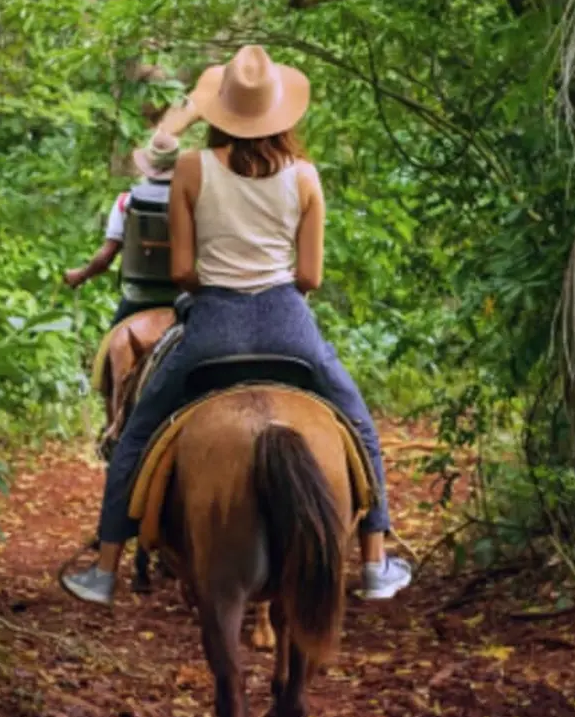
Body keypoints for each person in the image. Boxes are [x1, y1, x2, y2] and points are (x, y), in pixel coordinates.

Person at [61, 44, 412, 606]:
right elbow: (310, 276)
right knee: (359, 423)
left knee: (135, 431)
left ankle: (104, 569)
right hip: (287, 324)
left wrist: (216, 290)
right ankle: (375, 562)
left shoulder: (194, 169)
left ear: (221, 113)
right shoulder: (305, 176)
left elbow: (179, 270)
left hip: (212, 328)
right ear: (281, 113)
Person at [63, 130, 183, 326]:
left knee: (106, 350)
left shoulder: (126, 202)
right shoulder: (193, 203)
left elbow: (106, 257)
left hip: (138, 298)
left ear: (148, 165)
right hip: (182, 298)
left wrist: (82, 274)